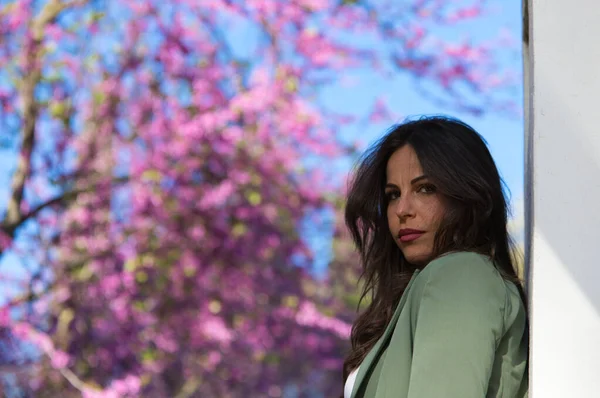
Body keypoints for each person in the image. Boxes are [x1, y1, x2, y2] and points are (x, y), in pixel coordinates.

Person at [342, 116, 528, 398]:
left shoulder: (461, 275)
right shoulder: (429, 286)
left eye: (425, 188)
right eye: (393, 194)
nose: (402, 209)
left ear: (467, 194)